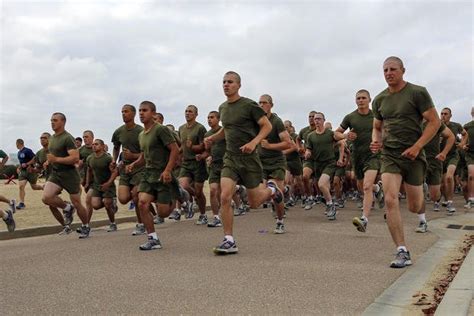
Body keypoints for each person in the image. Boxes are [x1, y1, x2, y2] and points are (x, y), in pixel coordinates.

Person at [371, 56, 440, 268]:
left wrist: (418, 146)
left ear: (403, 71)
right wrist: (376, 142)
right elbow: (377, 126)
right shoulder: (380, 99)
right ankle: (402, 250)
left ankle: (422, 192)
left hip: (414, 155)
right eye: (385, 70)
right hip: (390, 155)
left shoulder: (417, 93)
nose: (388, 73)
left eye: (392, 69)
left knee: (414, 206)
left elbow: (434, 121)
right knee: (391, 200)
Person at [204, 71, 283, 255]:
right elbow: (227, 129)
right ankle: (229, 240)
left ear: (239, 85)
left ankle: (273, 190)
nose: (226, 85)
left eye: (230, 82)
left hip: (249, 159)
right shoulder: (223, 107)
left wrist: (254, 142)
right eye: (224, 82)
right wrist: (214, 138)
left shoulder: (249, 105)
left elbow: (267, 126)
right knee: (225, 196)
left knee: (254, 202)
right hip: (230, 158)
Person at [127, 101, 179, 250]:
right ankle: (153, 239)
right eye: (140, 111)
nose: (142, 113)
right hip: (148, 173)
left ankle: (178, 194)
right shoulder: (141, 135)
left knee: (162, 213)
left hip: (163, 173)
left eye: (145, 110)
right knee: (142, 202)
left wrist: (168, 170)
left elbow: (174, 150)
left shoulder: (161, 130)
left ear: (153, 113)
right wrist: (134, 164)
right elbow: (143, 157)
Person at [335, 90, 383, 232]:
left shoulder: (376, 115)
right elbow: (336, 134)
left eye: (363, 98)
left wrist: (381, 143)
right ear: (355, 101)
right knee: (362, 185)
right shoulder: (350, 117)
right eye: (358, 98)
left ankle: (364, 219)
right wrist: (345, 135)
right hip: (358, 156)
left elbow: (385, 130)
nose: (361, 100)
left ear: (369, 100)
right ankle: (378, 188)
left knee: (367, 186)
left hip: (373, 155)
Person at [41, 112, 90, 236]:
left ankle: (85, 226)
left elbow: (75, 158)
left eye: (55, 120)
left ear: (63, 122)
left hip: (69, 174)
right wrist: (48, 161)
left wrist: (55, 160)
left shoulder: (67, 138)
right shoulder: (52, 138)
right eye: (51, 120)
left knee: (77, 203)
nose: (52, 122)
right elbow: (54, 155)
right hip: (56, 174)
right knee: (46, 197)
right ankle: (68, 208)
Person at [258, 94, 292, 233]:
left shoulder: (276, 121)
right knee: (259, 195)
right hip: (260, 163)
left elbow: (287, 143)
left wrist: (269, 146)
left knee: (276, 199)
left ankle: (280, 221)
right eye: (259, 103)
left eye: (264, 103)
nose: (261, 105)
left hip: (276, 162)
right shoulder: (256, 121)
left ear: (271, 105)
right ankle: (281, 190)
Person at [111, 104, 147, 236]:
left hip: (140, 168)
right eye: (122, 112)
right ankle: (147, 204)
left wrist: (133, 156)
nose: (123, 114)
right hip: (125, 170)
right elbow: (116, 147)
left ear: (133, 114)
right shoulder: (119, 131)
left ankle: (141, 224)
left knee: (136, 196)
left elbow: (146, 154)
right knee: (123, 198)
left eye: (126, 112)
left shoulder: (141, 131)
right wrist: (114, 160)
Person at [304, 112, 345, 220]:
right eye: (315, 119)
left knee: (321, 184)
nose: (316, 121)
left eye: (319, 119)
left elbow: (341, 142)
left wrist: (341, 158)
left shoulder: (330, 133)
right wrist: (307, 153)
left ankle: (331, 205)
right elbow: (309, 148)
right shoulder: (310, 136)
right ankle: (329, 202)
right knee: (324, 187)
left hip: (329, 163)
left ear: (323, 120)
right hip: (317, 164)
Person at [178, 105, 208, 224]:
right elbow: (181, 145)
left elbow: (203, 146)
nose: (187, 113)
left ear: (196, 114)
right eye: (186, 111)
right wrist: (177, 155)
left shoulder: (200, 128)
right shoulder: (181, 128)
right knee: (183, 185)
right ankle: (192, 201)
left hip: (198, 162)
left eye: (190, 111)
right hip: (186, 163)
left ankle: (203, 214)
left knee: (199, 192)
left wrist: (193, 147)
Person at [84, 139, 119, 233]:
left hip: (108, 185)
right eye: (93, 144)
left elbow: (115, 172)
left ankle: (113, 224)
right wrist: (87, 183)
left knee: (107, 203)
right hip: (96, 185)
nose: (94, 146)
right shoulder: (90, 158)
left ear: (103, 146)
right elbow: (89, 170)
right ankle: (112, 204)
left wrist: (108, 183)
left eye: (97, 144)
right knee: (95, 205)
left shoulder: (108, 158)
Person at [423, 121, 455, 215]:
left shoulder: (436, 122)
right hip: (420, 160)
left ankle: (436, 200)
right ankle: (422, 220)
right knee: (419, 188)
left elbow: (451, 136)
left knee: (434, 195)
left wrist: (444, 153)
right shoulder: (413, 120)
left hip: (435, 161)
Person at [201, 111, 226, 227]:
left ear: (218, 119)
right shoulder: (207, 134)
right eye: (208, 117)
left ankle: (225, 213)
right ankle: (216, 217)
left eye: (212, 117)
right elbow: (207, 151)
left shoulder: (224, 131)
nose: (209, 119)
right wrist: (207, 156)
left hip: (226, 165)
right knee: (213, 191)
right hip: (214, 165)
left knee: (223, 193)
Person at [439, 107, 464, 214]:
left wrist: (462, 144)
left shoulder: (456, 125)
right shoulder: (437, 126)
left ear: (450, 115)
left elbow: (465, 134)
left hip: (453, 155)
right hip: (440, 157)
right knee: (442, 184)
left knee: (449, 177)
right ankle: (445, 199)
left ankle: (450, 202)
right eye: (442, 113)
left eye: (445, 114)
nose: (443, 115)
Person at [16, 139, 43, 209]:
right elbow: (21, 163)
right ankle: (22, 203)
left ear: (19, 143)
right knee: (21, 186)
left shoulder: (27, 150)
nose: (16, 145)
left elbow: (35, 158)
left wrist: (28, 164)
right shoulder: (18, 153)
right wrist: (18, 168)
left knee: (34, 187)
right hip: (23, 172)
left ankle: (44, 187)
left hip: (31, 171)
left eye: (16, 144)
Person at [298, 111, 317, 208]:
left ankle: (327, 200)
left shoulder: (322, 130)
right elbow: (298, 139)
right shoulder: (304, 131)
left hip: (321, 160)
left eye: (313, 116)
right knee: (305, 177)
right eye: (309, 116)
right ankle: (309, 198)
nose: (311, 118)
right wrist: (300, 148)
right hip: (309, 159)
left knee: (319, 183)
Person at [460, 107, 474, 208]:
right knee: (471, 175)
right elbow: (463, 140)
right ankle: (471, 200)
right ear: (471, 113)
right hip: (470, 154)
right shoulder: (467, 126)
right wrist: (463, 145)